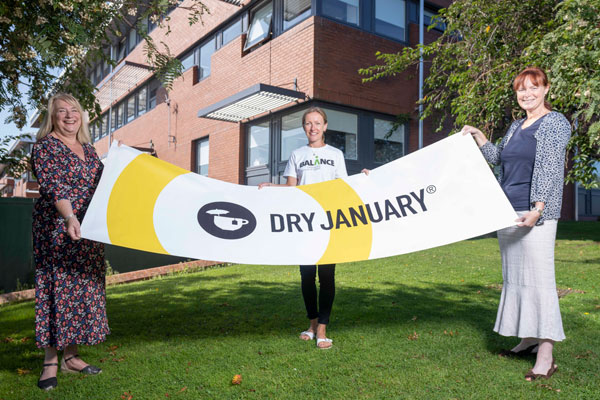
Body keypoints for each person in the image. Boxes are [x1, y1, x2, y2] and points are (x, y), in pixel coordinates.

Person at [462, 67, 571, 381]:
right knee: (517, 279)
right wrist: (479, 136)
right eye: (521, 90)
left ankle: (546, 354)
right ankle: (529, 338)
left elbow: (549, 167)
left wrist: (538, 208)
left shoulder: (555, 122)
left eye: (533, 88)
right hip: (506, 212)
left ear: (546, 89)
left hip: (534, 214)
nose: (527, 94)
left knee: (540, 282)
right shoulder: (515, 125)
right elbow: (499, 158)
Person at [259, 107, 360, 349]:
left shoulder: (335, 154)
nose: (313, 127)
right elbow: (292, 189)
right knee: (306, 277)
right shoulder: (297, 154)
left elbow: (344, 187)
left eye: (317, 123)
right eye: (308, 123)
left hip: (327, 224)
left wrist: (364, 179)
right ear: (304, 127)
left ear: (325, 126)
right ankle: (312, 324)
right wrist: (271, 186)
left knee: (326, 277)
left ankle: (323, 328)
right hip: (303, 225)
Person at [32, 93, 109, 390]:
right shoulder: (45, 147)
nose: (68, 116)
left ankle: (71, 356)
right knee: (58, 291)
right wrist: (69, 218)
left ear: (82, 116)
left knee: (81, 291)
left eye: (73, 110)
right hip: (58, 230)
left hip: (88, 231)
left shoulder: (89, 150)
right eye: (61, 111)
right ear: (52, 117)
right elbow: (55, 187)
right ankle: (50, 360)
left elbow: (105, 184)